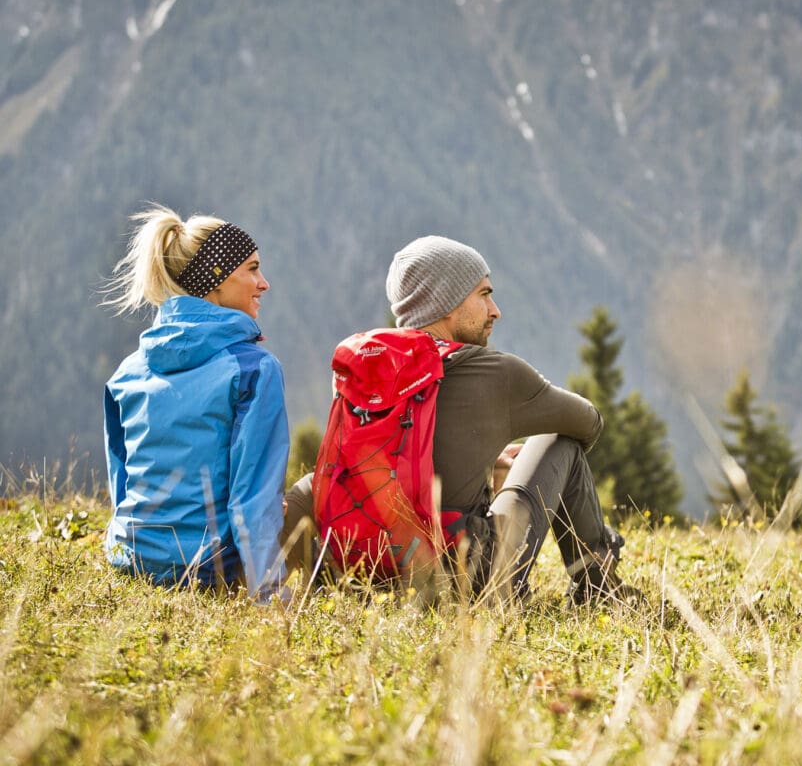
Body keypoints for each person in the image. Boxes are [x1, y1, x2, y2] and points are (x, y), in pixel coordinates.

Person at [282, 235, 634, 606]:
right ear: (446, 302)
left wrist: (483, 455)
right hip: (469, 580)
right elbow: (588, 423)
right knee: (560, 443)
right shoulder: (496, 372)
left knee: (313, 483)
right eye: (483, 294)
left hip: (359, 571)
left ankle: (254, 582)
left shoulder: (366, 369)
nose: (494, 310)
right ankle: (600, 588)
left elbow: (401, 455)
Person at [103, 206, 289, 599]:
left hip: (128, 558)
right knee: (307, 502)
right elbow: (252, 501)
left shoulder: (127, 372)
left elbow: (123, 487)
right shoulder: (254, 370)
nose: (264, 283)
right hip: (205, 568)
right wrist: (272, 602)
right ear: (215, 281)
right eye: (252, 269)